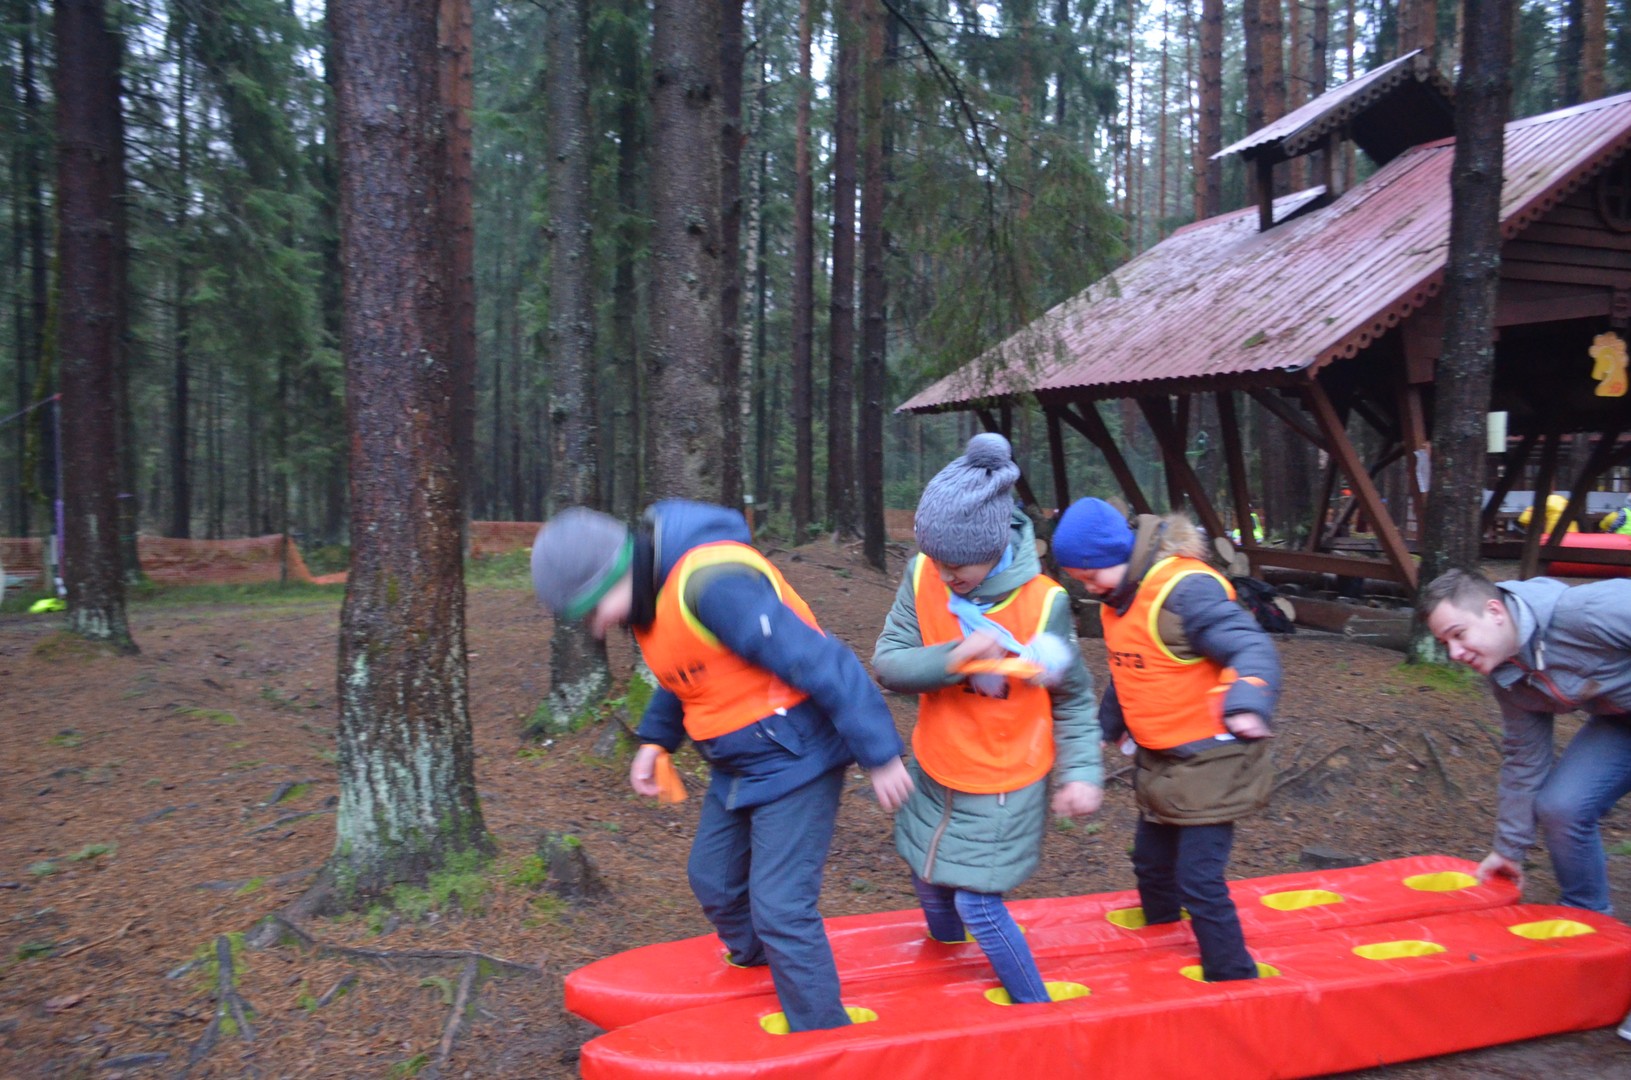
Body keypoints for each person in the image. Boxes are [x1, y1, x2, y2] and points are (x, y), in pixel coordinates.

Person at [530, 499, 913, 1032]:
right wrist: (656, 742)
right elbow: (684, 673)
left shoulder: (714, 585)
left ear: (621, 571)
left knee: (781, 905)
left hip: (798, 759)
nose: (597, 628)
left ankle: (823, 1032)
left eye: (596, 610)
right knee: (713, 879)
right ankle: (763, 970)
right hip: (739, 763)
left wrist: (880, 754)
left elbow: (821, 660)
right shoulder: (650, 603)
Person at [872, 433, 1104, 1004]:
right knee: (927, 878)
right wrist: (953, 659)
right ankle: (946, 985)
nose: (945, 575)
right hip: (936, 767)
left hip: (1005, 780)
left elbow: (1073, 697)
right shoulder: (922, 574)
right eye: (937, 560)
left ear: (995, 545)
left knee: (977, 902)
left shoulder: (1043, 603)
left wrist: (1081, 773)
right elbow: (889, 663)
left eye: (958, 565)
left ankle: (1035, 1010)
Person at [1052, 497, 1279, 983]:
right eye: (1080, 581)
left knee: (1198, 880)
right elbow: (1132, 670)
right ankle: (1158, 952)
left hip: (1214, 759)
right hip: (1163, 762)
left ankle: (1233, 975)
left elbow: (1250, 644)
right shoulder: (1121, 602)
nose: (1089, 588)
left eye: (1091, 576)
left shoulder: (1185, 591)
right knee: (1151, 864)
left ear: (1119, 554)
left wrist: (1248, 700)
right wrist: (1104, 728)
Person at [1421, 567, 1631, 1043]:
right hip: (1621, 723)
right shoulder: (1509, 675)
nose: (1455, 653)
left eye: (1458, 634)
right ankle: (1589, 934)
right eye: (1445, 642)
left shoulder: (1587, 613)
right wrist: (1509, 847)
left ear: (1494, 611)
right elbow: (1524, 758)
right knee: (1562, 807)